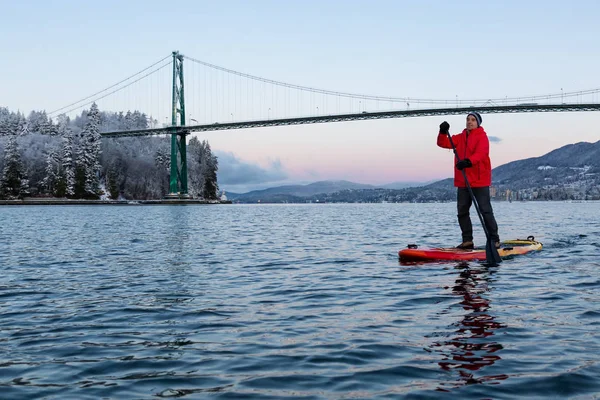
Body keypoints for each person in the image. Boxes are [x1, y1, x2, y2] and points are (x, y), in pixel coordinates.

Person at [437, 112, 500, 250]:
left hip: (479, 181)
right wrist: (442, 132)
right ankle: (467, 241)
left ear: (478, 123)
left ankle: (494, 239)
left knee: (485, 211)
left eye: (473, 120)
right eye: (468, 119)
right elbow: (443, 143)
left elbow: (481, 154)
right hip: (463, 181)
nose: (469, 122)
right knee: (462, 211)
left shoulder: (482, 137)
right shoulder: (460, 137)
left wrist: (468, 162)